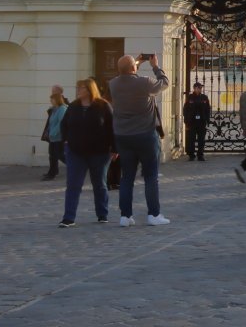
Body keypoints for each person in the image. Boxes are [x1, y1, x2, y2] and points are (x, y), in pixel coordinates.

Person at [109, 54, 171, 228]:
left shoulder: (113, 84)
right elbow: (164, 83)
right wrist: (155, 66)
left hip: (123, 136)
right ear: (134, 68)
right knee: (151, 176)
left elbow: (124, 73)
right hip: (145, 135)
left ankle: (125, 216)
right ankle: (153, 214)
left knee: (127, 177)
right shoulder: (144, 82)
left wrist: (134, 63)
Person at [58, 78, 115, 226]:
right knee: (73, 184)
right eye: (77, 88)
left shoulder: (103, 106)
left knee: (99, 184)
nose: (78, 90)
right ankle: (68, 217)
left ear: (90, 90)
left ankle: (102, 214)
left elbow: (112, 127)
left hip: (99, 152)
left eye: (81, 88)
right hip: (75, 152)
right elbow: (64, 125)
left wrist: (115, 148)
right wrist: (66, 140)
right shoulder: (73, 106)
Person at [41, 86, 68, 180]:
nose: (50, 101)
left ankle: (75, 165)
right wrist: (48, 132)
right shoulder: (54, 109)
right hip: (52, 137)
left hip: (58, 137)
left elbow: (61, 123)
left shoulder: (62, 109)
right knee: (52, 155)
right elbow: (51, 122)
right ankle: (52, 173)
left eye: (52, 99)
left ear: (57, 99)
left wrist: (52, 133)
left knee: (60, 155)